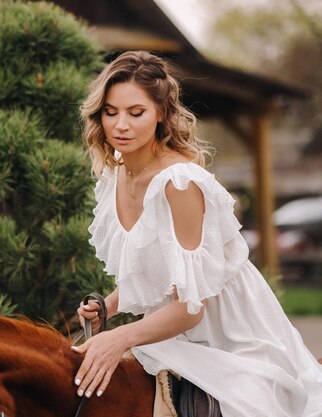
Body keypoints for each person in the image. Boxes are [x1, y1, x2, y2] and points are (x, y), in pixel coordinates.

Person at [71, 50, 322, 417]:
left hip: (230, 332)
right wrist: (106, 308)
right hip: (172, 326)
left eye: (135, 113)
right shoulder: (115, 175)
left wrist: (121, 335)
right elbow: (154, 269)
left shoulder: (180, 182)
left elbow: (190, 305)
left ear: (160, 114)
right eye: (110, 112)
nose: (120, 125)